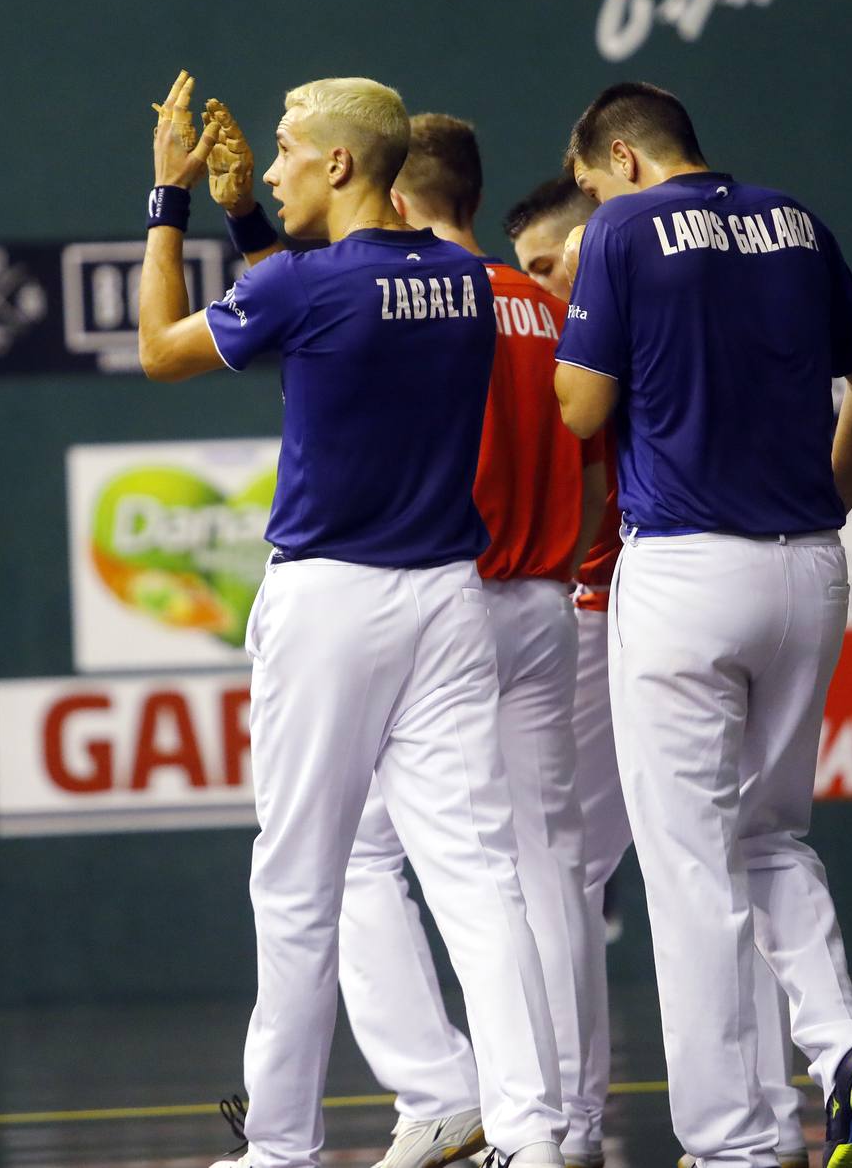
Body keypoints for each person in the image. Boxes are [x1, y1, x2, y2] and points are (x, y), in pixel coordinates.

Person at [137, 72, 566, 1168]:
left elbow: (159, 349)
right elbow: (319, 311)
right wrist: (248, 215)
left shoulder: (317, 288)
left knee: (297, 881)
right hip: (445, 604)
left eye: (283, 150)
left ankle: (280, 1147)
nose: (267, 166)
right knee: (477, 882)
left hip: (333, 602)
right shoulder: (466, 282)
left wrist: (171, 201)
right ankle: (530, 1132)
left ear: (339, 164)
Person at [549, 81, 852, 1168]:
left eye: (584, 185)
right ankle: (843, 1049)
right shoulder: (797, 221)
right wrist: (824, 507)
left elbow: (578, 406)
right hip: (807, 567)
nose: (585, 207)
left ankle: (737, 1143)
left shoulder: (621, 229)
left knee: (693, 867)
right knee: (772, 837)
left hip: (687, 575)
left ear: (623, 158)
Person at [290, 115, 596, 1168]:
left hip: (447, 609)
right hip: (554, 609)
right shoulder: (544, 306)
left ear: (401, 200)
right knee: (544, 873)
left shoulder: (408, 311)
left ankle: (436, 1089)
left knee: (361, 854)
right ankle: (562, 1122)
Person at [505, 177, 811, 1168]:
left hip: (618, 613)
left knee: (577, 873)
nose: (548, 290)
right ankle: (758, 1119)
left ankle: (574, 1126)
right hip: (688, 594)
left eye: (554, 266)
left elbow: (582, 421)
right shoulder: (643, 309)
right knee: (710, 856)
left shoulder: (624, 314)